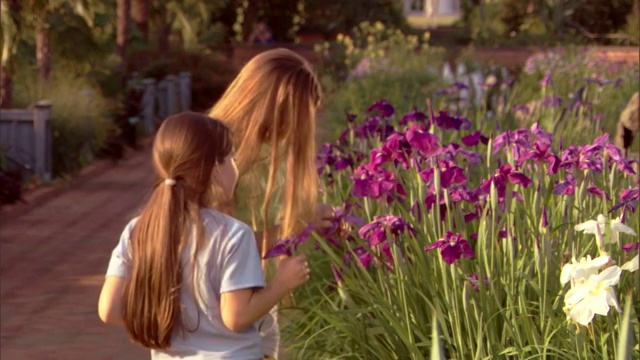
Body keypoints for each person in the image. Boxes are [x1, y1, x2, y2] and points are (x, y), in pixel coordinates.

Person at [97, 112, 310, 359]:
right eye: (232, 158)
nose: (235, 167)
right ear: (214, 168)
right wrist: (282, 283)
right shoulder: (232, 234)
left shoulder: (138, 230)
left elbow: (109, 309)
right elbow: (236, 317)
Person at [208, 48, 333, 358]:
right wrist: (299, 226)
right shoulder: (223, 160)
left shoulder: (274, 149)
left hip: (258, 302)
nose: (297, 132)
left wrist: (308, 220)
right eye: (296, 118)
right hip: (224, 308)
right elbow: (216, 249)